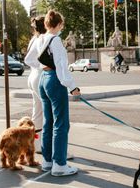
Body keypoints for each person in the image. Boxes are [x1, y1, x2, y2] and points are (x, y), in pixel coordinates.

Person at [38, 10, 80, 176]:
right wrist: (72, 87)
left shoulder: (41, 38)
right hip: (55, 80)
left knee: (48, 123)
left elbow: (34, 59)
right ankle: (60, 165)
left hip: (43, 79)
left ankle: (47, 161)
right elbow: (62, 67)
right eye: (62, 24)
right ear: (59, 24)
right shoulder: (56, 40)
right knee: (61, 124)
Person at [23, 16, 46, 153]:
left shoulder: (34, 39)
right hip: (40, 76)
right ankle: (51, 147)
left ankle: (35, 144)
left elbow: (28, 59)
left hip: (32, 76)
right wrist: (43, 66)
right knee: (49, 113)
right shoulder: (43, 39)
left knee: (37, 112)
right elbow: (29, 59)